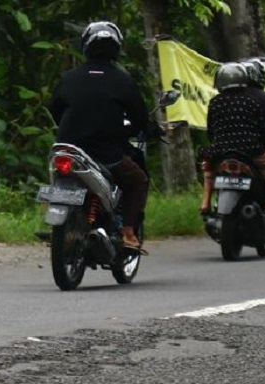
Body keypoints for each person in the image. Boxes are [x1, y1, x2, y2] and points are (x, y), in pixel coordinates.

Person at [48, 20, 162, 252]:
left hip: (67, 147)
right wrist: (143, 130)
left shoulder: (68, 78)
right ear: (116, 48)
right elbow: (140, 119)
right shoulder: (123, 80)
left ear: (86, 46)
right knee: (138, 180)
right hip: (106, 153)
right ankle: (128, 232)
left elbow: (55, 110)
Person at [199, 61, 265, 221]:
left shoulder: (215, 102)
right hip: (251, 150)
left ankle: (205, 202)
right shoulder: (254, 102)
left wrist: (216, 146)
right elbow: (262, 131)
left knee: (208, 168)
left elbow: (211, 131)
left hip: (221, 152)